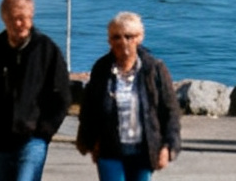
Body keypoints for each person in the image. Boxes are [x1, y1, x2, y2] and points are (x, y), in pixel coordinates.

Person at [0, 0, 71, 181]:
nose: (18, 24)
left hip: (32, 138)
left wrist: (45, 131)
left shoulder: (47, 50)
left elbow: (62, 95)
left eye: (23, 18)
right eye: (13, 18)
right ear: (4, 18)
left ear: (31, 17)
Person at [74, 12, 178, 181]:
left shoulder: (154, 69)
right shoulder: (101, 69)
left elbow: (170, 111)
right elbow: (89, 109)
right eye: (116, 37)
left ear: (140, 37)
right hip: (109, 150)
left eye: (129, 36)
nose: (123, 42)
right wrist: (91, 142)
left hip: (143, 151)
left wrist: (168, 146)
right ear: (109, 40)